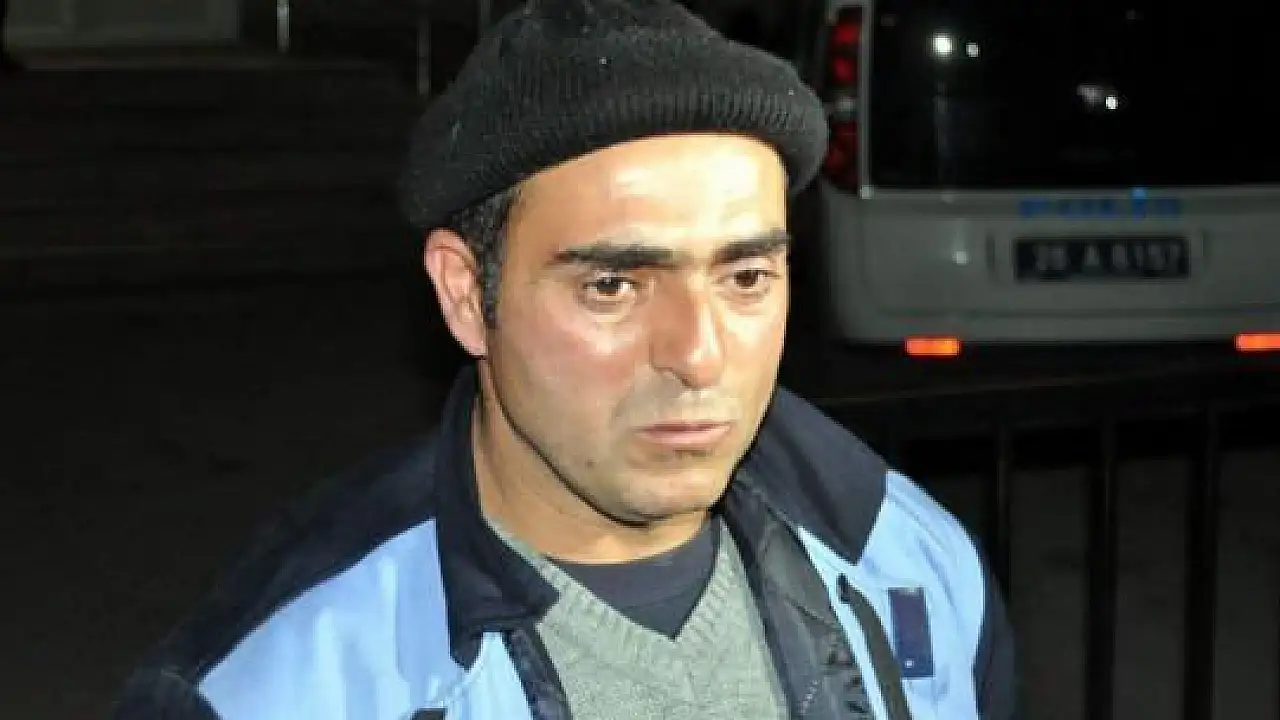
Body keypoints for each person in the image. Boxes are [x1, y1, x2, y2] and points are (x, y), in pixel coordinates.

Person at [112, 1, 1017, 718]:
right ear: (465, 294)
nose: (699, 356)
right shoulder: (281, 680)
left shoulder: (914, 565)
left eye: (745, 276)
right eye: (613, 286)